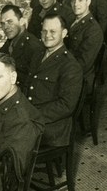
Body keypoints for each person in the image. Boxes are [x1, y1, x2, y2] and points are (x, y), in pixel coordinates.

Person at [22, 14, 83, 149]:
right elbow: (27, 86)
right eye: (44, 31)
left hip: (51, 127)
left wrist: (32, 116)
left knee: (5, 137)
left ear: (64, 33)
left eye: (53, 31)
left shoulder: (70, 66)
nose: (47, 35)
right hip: (31, 116)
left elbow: (66, 105)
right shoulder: (39, 54)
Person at [66, 0, 104, 87]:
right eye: (73, 0)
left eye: (80, 0)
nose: (75, 4)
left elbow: (83, 64)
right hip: (68, 68)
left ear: (88, 2)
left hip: (79, 79)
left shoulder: (93, 30)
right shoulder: (72, 20)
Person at [0, 4, 44, 81]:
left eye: (10, 22)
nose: (5, 27)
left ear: (22, 21)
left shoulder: (33, 48)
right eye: (2, 23)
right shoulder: (13, 39)